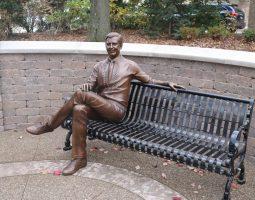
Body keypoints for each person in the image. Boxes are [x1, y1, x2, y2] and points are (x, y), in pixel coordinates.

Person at [26, 32, 183, 176]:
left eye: (115, 44)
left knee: (81, 97)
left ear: (120, 46)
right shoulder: (99, 66)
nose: (111, 46)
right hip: (100, 109)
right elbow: (89, 85)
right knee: (79, 109)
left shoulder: (130, 65)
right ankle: (79, 159)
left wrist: (167, 82)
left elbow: (149, 80)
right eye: (109, 44)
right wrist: (86, 87)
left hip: (116, 110)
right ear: (105, 46)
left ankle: (49, 125)